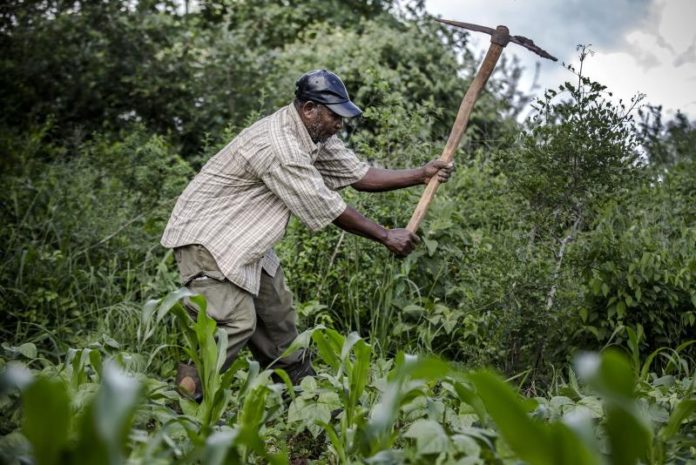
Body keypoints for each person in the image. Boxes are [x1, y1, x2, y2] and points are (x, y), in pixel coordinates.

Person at [161, 69, 453, 399]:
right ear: (310, 109)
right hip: (208, 238)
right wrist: (386, 236)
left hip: (247, 242)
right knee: (234, 322)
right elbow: (326, 206)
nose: (339, 124)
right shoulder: (279, 147)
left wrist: (420, 174)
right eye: (334, 116)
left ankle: (305, 407)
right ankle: (184, 408)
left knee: (279, 325)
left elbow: (359, 175)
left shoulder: (315, 134)